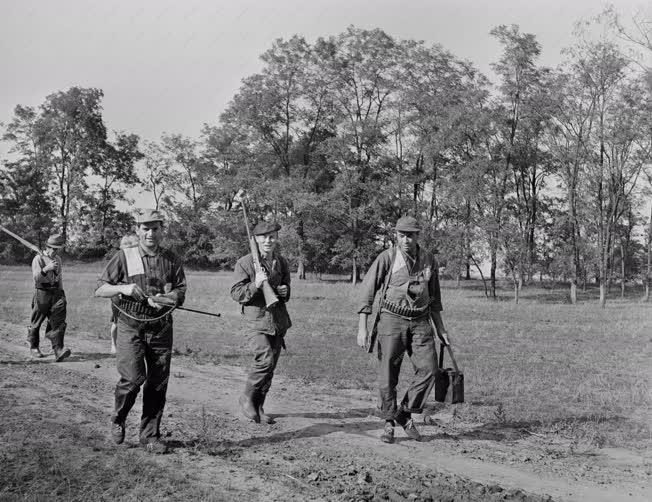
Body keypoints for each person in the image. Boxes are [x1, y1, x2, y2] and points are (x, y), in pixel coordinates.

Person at [95, 209, 186, 453]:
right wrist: (123, 288)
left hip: (161, 328)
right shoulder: (125, 256)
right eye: (145, 228)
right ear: (137, 230)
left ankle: (150, 436)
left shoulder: (171, 259)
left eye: (155, 228)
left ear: (161, 230)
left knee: (158, 383)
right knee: (133, 379)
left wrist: (165, 299)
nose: (150, 233)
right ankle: (118, 418)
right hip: (130, 326)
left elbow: (180, 292)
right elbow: (100, 289)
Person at [356, 216, 449, 444]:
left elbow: (434, 298)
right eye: (401, 235)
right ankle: (389, 422)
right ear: (395, 235)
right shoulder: (387, 258)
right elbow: (367, 293)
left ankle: (405, 412)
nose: (406, 240)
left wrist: (441, 329)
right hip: (391, 319)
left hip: (420, 321)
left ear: (418, 236)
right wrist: (363, 328)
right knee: (389, 373)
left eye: (410, 235)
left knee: (430, 369)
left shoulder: (428, 259)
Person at [230, 221, 291, 424]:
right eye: (263, 237)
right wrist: (256, 285)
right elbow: (236, 293)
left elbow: (286, 289)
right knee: (264, 360)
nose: (268, 240)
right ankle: (247, 397)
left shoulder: (281, 262)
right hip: (256, 321)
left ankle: (259, 406)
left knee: (270, 367)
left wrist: (284, 291)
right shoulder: (245, 263)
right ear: (255, 239)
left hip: (277, 321)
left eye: (272, 236)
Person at [27, 234, 71, 361]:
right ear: (49, 247)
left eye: (58, 249)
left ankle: (58, 350)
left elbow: (59, 277)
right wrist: (47, 268)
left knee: (58, 321)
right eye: (55, 249)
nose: (57, 251)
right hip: (42, 292)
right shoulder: (38, 259)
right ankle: (34, 346)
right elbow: (36, 279)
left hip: (56, 292)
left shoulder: (58, 259)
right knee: (36, 322)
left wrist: (62, 292)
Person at [109, 234, 139, 355]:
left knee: (135, 322)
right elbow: (110, 282)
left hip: (134, 296)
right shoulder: (118, 261)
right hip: (119, 297)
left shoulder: (138, 261)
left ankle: (132, 347)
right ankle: (113, 345)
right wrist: (120, 289)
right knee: (117, 322)